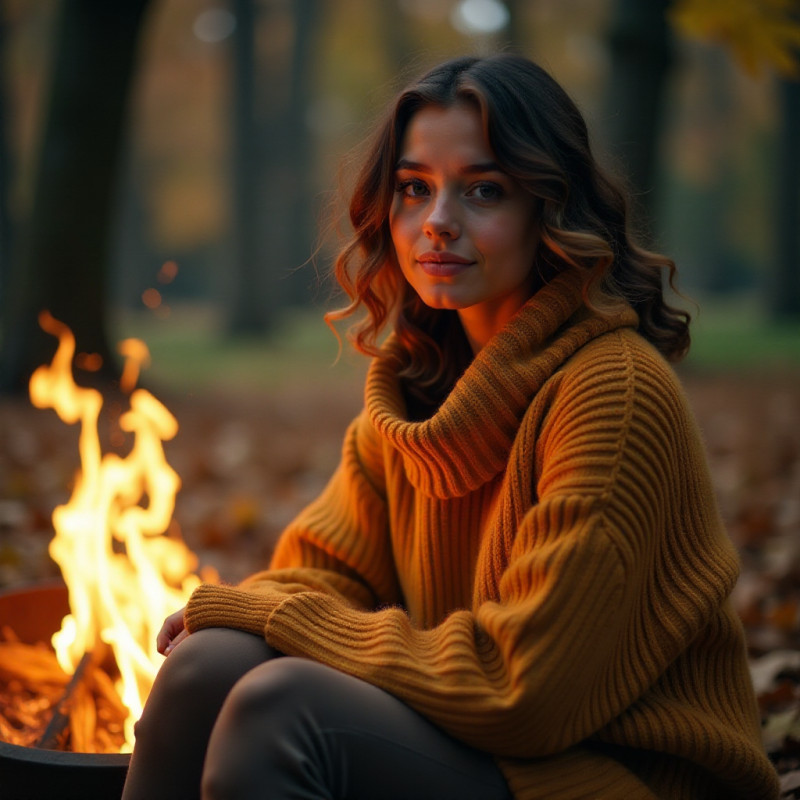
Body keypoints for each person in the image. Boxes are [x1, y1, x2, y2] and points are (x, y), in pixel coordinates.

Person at [121, 54, 779, 800]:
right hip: (489, 749)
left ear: (550, 209)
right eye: (414, 189)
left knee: (283, 710)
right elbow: (321, 579)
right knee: (207, 663)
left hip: (614, 776)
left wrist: (264, 608)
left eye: (484, 190)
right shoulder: (416, 395)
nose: (438, 222)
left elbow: (521, 691)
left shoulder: (612, 393)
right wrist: (252, 613)